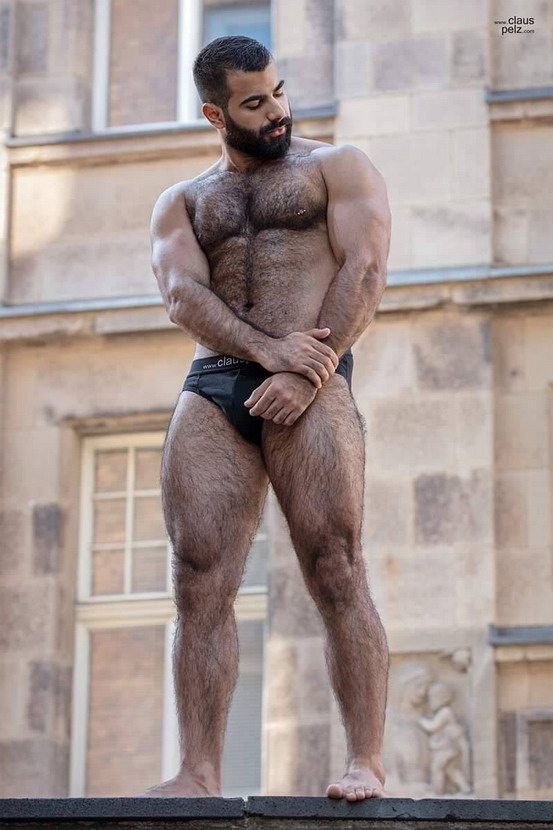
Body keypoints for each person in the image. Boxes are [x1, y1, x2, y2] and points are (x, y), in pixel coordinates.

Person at [140, 35, 392, 802]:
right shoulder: (183, 201)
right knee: (197, 579)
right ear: (215, 114)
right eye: (254, 103)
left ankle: (365, 762)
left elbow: (365, 269)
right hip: (218, 381)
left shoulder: (335, 166)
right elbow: (183, 296)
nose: (277, 111)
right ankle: (198, 772)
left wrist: (307, 368)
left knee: (335, 565)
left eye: (278, 92)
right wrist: (264, 352)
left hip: (314, 376)